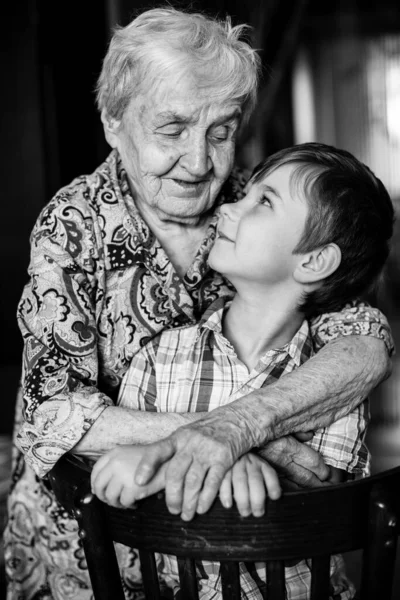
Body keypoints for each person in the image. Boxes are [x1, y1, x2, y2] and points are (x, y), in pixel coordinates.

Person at [4, 7, 392, 600]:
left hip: (244, 562)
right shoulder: (72, 225)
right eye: (171, 129)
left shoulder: (248, 208)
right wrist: (228, 437)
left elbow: (365, 342)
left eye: (221, 130)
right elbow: (51, 414)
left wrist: (238, 427)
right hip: (93, 544)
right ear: (114, 121)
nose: (201, 162)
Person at [91, 142, 394, 599]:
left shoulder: (330, 383)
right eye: (245, 195)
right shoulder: (160, 357)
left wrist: (210, 465)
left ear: (313, 261)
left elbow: (322, 508)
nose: (229, 208)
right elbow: (115, 484)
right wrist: (230, 463)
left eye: (264, 202)